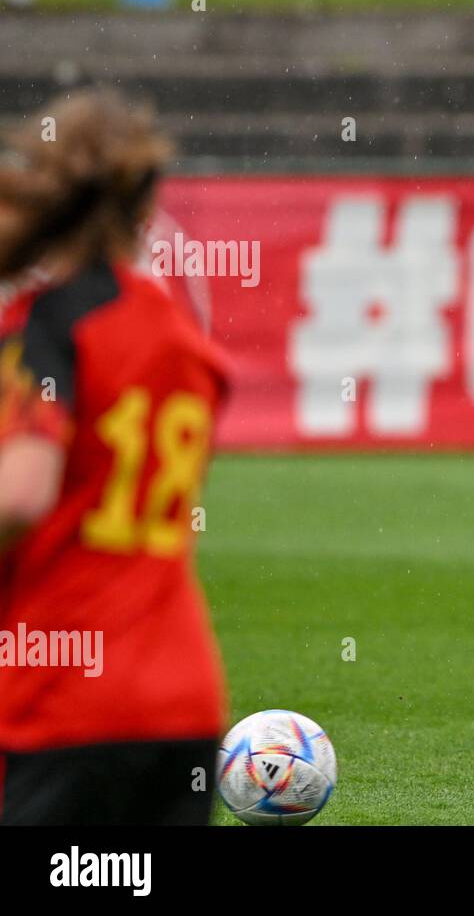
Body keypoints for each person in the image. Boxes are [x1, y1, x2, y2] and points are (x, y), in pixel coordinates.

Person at [0, 87, 229, 823]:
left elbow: (20, 495)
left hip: (63, 694)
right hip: (184, 698)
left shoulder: (45, 327)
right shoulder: (183, 337)